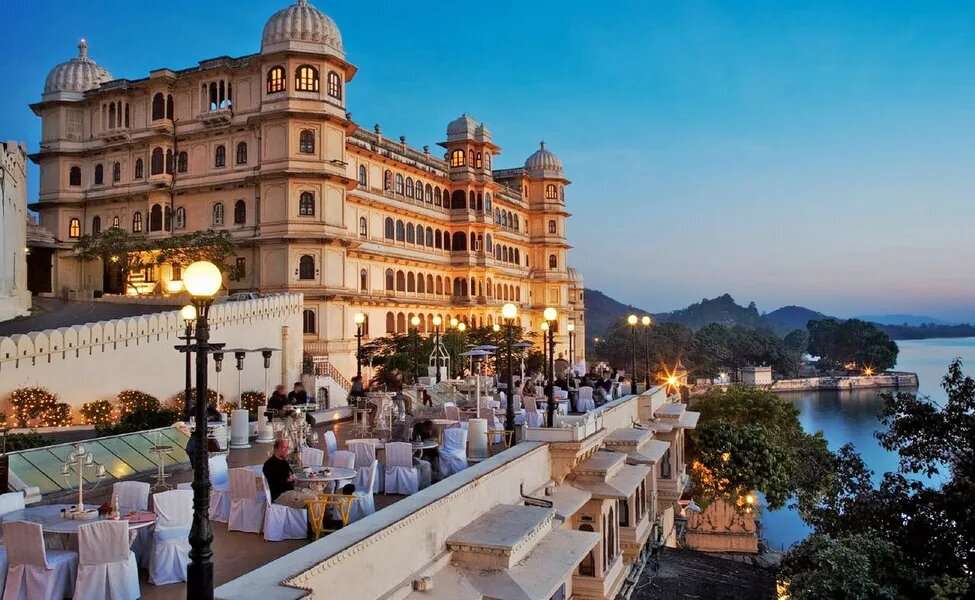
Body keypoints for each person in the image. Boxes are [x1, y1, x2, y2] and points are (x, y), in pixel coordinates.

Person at [263, 439, 316, 509]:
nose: (286, 450)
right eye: (284, 447)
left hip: (291, 489)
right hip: (280, 495)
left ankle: (322, 517)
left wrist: (294, 478)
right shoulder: (269, 464)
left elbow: (292, 476)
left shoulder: (284, 461)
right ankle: (314, 519)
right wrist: (288, 479)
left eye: (287, 448)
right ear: (276, 448)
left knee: (317, 493)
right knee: (313, 499)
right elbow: (274, 483)